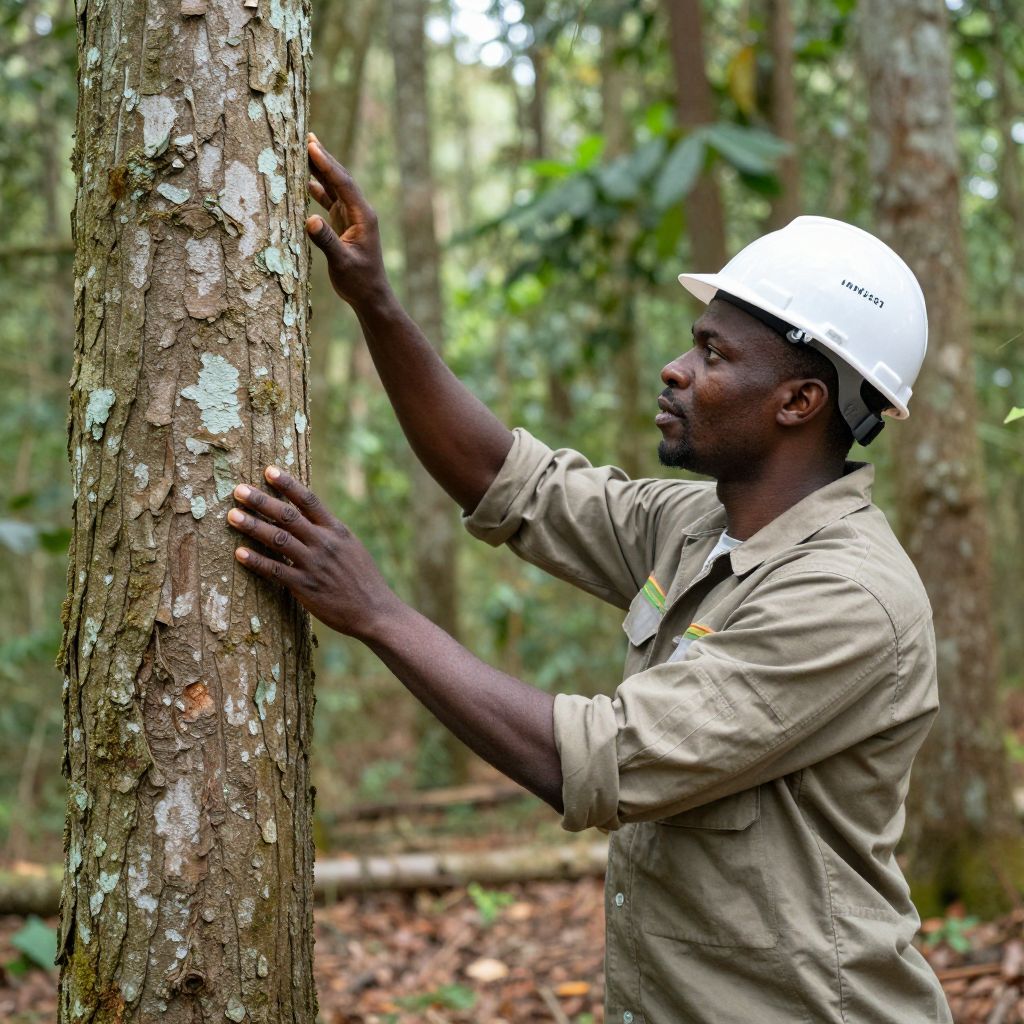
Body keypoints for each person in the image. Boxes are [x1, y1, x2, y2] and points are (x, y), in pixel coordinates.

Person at [227, 134, 952, 1023]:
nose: (676, 369)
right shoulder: (699, 525)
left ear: (799, 401)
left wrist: (377, 612)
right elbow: (506, 480)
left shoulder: (848, 599)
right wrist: (374, 301)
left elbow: (592, 760)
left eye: (715, 356)